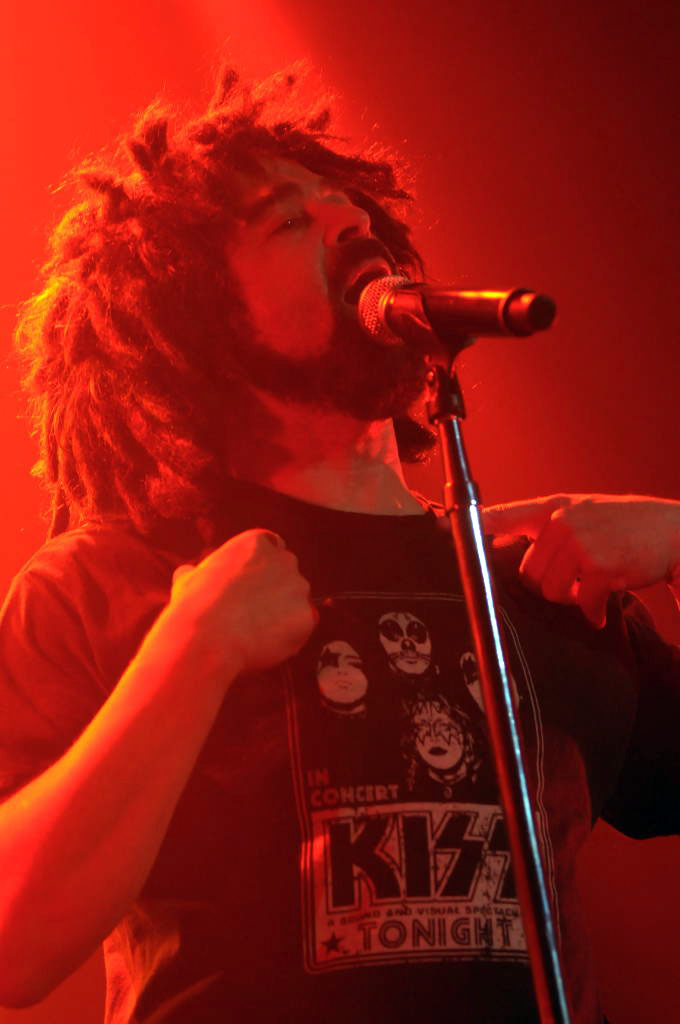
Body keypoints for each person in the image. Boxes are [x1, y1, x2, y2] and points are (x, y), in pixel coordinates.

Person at [0, 66, 678, 1024]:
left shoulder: (533, 578)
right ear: (193, 313)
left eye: (350, 205)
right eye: (289, 220)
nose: (348, 220)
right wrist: (190, 653)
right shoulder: (109, 585)